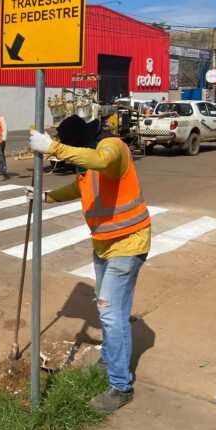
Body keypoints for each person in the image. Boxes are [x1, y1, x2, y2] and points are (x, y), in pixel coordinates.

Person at [28, 115, 151, 413]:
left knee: (110, 314)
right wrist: (47, 197)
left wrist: (53, 148)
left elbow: (98, 161)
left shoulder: (111, 148)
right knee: (110, 310)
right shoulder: (87, 161)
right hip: (104, 243)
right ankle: (109, 360)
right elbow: (79, 187)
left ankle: (121, 387)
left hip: (129, 241)